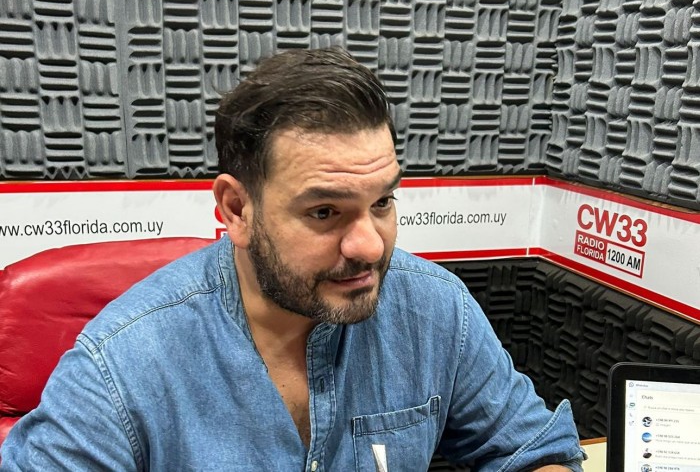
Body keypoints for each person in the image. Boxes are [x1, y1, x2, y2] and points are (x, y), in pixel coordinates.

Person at [0, 47, 585, 471]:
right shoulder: (122, 364)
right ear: (237, 209)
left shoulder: (435, 311)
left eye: (382, 202)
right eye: (325, 212)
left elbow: (529, 448)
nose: (370, 246)